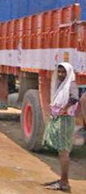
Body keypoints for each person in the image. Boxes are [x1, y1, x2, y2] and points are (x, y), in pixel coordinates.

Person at [42, 63, 80, 191]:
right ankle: (62, 180)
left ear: (68, 72)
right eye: (59, 72)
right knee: (61, 151)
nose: (60, 74)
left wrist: (64, 109)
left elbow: (74, 98)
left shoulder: (71, 84)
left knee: (64, 152)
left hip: (65, 121)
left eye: (63, 72)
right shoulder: (61, 85)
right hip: (61, 120)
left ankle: (64, 182)